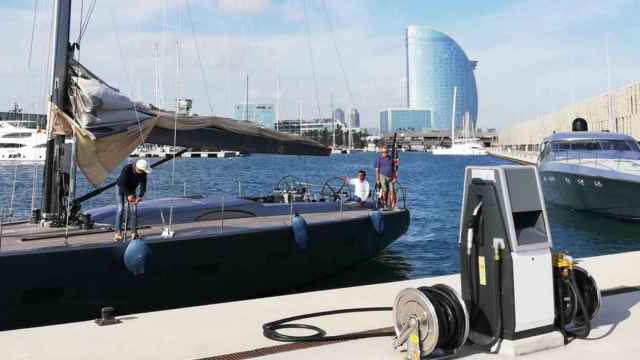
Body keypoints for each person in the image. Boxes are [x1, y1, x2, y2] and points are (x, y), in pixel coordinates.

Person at [114, 159, 151, 241]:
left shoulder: (143, 173)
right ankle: (118, 233)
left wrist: (140, 196)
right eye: (142, 171)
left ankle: (134, 232)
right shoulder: (127, 169)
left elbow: (143, 185)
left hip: (132, 190)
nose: (143, 172)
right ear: (138, 169)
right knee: (121, 209)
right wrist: (128, 195)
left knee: (133, 210)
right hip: (121, 188)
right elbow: (121, 183)